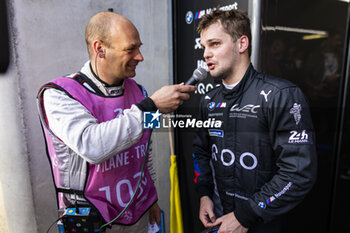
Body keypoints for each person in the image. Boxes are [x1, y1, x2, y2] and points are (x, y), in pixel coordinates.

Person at [37, 11, 196, 232]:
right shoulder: (60, 94)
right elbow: (92, 145)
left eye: (139, 47)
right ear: (99, 49)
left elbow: (144, 151)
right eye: (131, 49)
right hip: (93, 221)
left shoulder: (139, 92)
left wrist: (151, 199)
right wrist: (150, 106)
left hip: (138, 215)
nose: (140, 57)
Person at [192, 9, 317, 233]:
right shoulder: (208, 101)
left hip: (262, 222)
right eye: (204, 47)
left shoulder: (281, 95)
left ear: (242, 44)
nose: (206, 54)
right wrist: (204, 194)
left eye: (215, 44)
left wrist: (245, 215)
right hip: (219, 218)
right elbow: (201, 152)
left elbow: (298, 173)